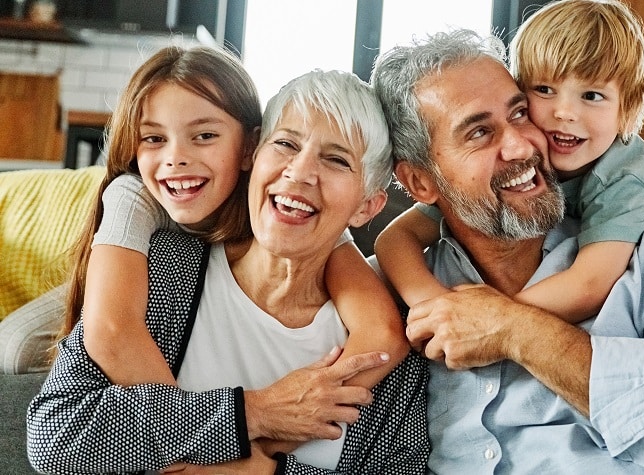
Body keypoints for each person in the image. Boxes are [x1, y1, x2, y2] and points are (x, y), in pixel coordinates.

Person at [370, 28, 644, 474]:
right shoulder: (382, 294)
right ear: (420, 182)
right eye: (480, 132)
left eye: (520, 114)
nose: (521, 145)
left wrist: (515, 329)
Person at [28, 69, 428, 474]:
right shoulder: (166, 269)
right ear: (254, 155)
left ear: (367, 207)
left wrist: (267, 471)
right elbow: (54, 436)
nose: (300, 172)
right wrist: (253, 412)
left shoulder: (392, 359)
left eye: (337, 159)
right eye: (286, 143)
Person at [56, 44, 406, 392]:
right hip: (102, 278)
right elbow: (110, 329)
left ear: (248, 148)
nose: (176, 157)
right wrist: (231, 433)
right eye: (154, 138)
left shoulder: (295, 213)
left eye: (205, 136)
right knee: (18, 345)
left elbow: (381, 330)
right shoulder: (134, 199)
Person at [375, 0, 644, 323]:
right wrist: (435, 306)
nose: (564, 113)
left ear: (628, 109)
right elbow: (395, 239)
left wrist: (486, 320)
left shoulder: (622, 176)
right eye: (544, 90)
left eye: (591, 96)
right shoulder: (528, 154)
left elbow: (590, 284)